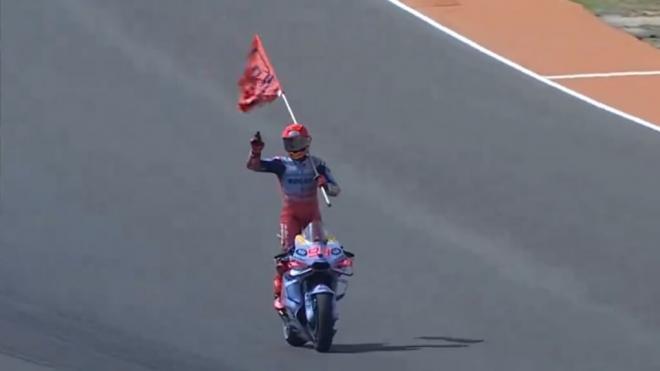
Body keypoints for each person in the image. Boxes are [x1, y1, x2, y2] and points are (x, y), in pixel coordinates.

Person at [246, 123, 340, 312]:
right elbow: (253, 166)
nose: (294, 147)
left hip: (312, 216)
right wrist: (255, 152)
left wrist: (324, 184)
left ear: (306, 142)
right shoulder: (281, 164)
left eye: (297, 142)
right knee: (286, 257)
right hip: (291, 216)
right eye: (289, 143)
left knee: (320, 254)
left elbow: (336, 189)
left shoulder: (317, 164)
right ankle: (279, 293)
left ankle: (322, 289)